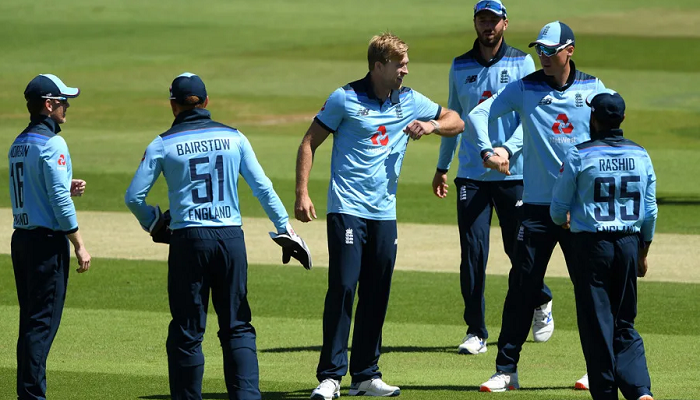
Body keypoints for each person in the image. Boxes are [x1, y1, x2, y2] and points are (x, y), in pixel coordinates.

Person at [295, 33, 464, 399]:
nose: (406, 69)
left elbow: (456, 121)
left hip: (384, 213)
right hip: (347, 209)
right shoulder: (345, 98)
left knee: (377, 292)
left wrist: (432, 126)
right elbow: (309, 141)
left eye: (406, 63)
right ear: (378, 66)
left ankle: (366, 374)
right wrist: (302, 192)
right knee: (343, 287)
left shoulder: (410, 100)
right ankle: (330, 376)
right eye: (399, 64)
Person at [124, 73, 311, 400]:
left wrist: (154, 224)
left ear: (173, 105)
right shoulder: (234, 137)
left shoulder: (162, 143)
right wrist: (286, 229)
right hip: (230, 241)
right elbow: (262, 187)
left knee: (187, 332)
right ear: (207, 102)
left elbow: (133, 197)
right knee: (237, 326)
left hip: (188, 242)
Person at [467, 21, 606, 392]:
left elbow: (612, 132)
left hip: (581, 212)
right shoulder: (526, 87)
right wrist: (487, 149)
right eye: (539, 50)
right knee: (521, 288)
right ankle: (506, 371)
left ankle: (598, 369)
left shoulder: (594, 89)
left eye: (550, 50)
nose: (542, 56)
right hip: (538, 209)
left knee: (590, 290)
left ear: (569, 50)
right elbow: (480, 113)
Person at [433, 0, 555, 356]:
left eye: (494, 20)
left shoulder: (523, 62)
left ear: (505, 24)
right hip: (471, 172)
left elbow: (530, 117)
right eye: (482, 20)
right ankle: (476, 331)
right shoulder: (460, 65)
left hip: (513, 172)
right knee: (472, 253)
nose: (487, 26)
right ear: (475, 23)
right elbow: (453, 119)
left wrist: (507, 150)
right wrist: (443, 167)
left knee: (518, 251)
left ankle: (541, 299)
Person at [550, 89, 656, 400]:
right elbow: (650, 211)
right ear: (621, 119)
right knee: (624, 322)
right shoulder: (641, 154)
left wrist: (566, 222)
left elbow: (557, 211)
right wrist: (643, 251)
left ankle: (606, 394)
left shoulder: (579, 154)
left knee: (597, 326)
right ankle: (640, 391)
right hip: (628, 243)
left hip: (591, 247)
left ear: (594, 118)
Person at [9, 74, 92, 400]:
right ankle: (32, 396)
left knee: (31, 322)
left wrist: (65, 186)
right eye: (62, 101)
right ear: (48, 104)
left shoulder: (19, 142)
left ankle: (27, 393)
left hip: (23, 241)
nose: (67, 107)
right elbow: (58, 201)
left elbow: (34, 188)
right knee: (41, 325)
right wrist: (79, 243)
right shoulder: (53, 142)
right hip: (46, 244)